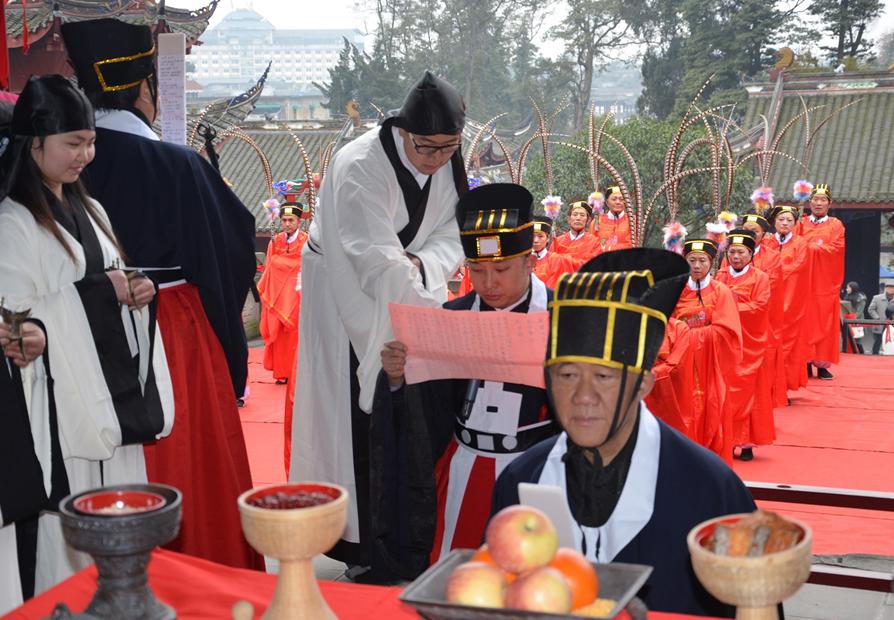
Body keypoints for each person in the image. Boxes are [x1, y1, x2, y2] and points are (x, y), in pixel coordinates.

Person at [62, 19, 262, 570]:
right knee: (181, 458)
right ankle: (193, 571)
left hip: (72, 330)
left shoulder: (44, 166)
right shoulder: (176, 164)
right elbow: (227, 248)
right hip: (167, 327)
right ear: (142, 87)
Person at [492, 248, 756, 618]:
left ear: (645, 383)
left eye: (604, 376)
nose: (583, 397)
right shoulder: (521, 480)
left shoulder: (710, 490)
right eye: (567, 375)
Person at [0, 75, 174, 591]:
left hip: (108, 396)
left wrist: (138, 294)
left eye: (91, 141)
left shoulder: (92, 211)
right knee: (64, 548)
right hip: (54, 411)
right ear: (35, 143)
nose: (87, 154)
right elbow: (12, 319)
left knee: (115, 526)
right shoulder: (13, 223)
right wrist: (103, 292)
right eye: (73, 143)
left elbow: (111, 283)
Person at [290, 71, 469, 568]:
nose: (436, 160)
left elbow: (455, 234)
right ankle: (362, 543)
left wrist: (422, 265)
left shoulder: (448, 162)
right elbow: (372, 257)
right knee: (355, 405)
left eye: (448, 148)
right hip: (344, 285)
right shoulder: (360, 166)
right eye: (427, 148)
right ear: (403, 132)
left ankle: (411, 532)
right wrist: (440, 324)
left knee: (410, 398)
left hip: (408, 281)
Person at [373, 183, 557, 582]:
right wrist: (396, 377)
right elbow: (425, 408)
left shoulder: (561, 318)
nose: (489, 283)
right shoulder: (451, 316)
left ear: (530, 262)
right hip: (464, 465)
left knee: (528, 579)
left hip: (535, 467)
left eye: (502, 270)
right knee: (459, 580)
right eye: (477, 271)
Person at [671, 239, 742, 464]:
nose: (697, 265)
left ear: (711, 263)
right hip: (681, 360)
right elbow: (667, 324)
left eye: (703, 260)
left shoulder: (721, 291)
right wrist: (683, 332)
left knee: (711, 405)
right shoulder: (675, 289)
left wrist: (691, 333)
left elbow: (727, 330)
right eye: (692, 260)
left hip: (710, 362)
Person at [715, 230, 774, 461]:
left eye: (741, 252)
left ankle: (747, 443)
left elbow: (760, 307)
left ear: (751, 254)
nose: (736, 256)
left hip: (751, 343)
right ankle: (727, 439)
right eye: (732, 252)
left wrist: (729, 309)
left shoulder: (760, 278)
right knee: (726, 392)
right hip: (726, 344)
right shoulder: (719, 277)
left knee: (751, 392)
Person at [796, 184, 845, 380]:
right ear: (809, 202)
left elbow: (837, 248)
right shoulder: (800, 223)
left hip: (825, 284)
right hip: (803, 283)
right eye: (815, 199)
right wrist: (812, 246)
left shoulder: (836, 225)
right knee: (803, 323)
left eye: (823, 199)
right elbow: (795, 247)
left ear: (829, 203)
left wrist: (813, 248)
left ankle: (822, 365)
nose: (818, 203)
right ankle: (804, 362)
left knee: (824, 323)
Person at [258, 198, 308, 384]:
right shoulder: (275, 241)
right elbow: (270, 267)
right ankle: (281, 372)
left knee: (294, 333)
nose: (287, 224)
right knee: (278, 335)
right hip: (276, 294)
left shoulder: (305, 241)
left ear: (299, 221)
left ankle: (296, 371)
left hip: (296, 294)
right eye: (284, 220)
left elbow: (303, 266)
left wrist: (283, 265)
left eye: (291, 220)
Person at [764, 205, 810, 394]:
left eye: (789, 220)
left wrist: (776, 271)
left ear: (795, 224)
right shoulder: (766, 242)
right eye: (781, 220)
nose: (785, 223)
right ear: (774, 222)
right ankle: (767, 385)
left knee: (787, 345)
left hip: (791, 302)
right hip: (768, 299)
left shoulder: (800, 243)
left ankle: (783, 387)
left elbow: (799, 265)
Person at [532, 215, 583, 288]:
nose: (536, 240)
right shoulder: (523, 260)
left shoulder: (556, 260)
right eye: (533, 236)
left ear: (548, 238)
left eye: (540, 236)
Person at [593, 186, 632, 251]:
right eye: (614, 199)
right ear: (607, 203)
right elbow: (592, 245)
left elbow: (632, 244)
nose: (618, 202)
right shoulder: (597, 221)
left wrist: (608, 248)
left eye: (621, 199)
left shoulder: (632, 220)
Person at [868, 283, 894, 355]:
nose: (890, 289)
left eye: (892, 288)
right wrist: (877, 318)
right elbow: (871, 309)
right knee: (877, 342)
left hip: (892, 324)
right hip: (880, 323)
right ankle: (874, 356)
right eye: (888, 287)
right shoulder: (877, 298)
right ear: (885, 288)